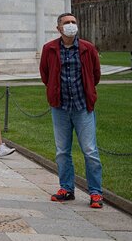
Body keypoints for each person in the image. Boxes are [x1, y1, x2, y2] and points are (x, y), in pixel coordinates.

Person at [39, 12, 104, 209]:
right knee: (62, 151)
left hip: (82, 107)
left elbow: (96, 74)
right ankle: (66, 189)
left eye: (73, 22)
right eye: (66, 22)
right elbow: (45, 74)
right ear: (58, 28)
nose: (70, 25)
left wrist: (88, 92)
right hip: (60, 107)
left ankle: (95, 193)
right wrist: (54, 91)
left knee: (90, 150)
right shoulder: (49, 48)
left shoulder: (87, 48)